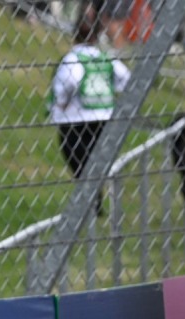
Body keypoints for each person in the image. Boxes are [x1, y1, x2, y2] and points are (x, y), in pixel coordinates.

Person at [48, 4, 131, 215]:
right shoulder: (106, 59)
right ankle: (94, 201)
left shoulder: (73, 59)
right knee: (95, 162)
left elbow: (69, 82)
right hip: (102, 118)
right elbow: (126, 79)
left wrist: (61, 103)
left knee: (79, 164)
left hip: (75, 122)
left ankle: (89, 203)